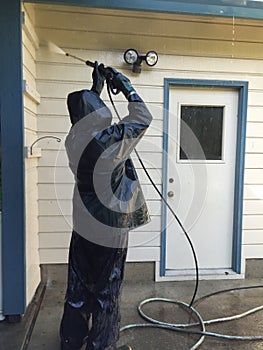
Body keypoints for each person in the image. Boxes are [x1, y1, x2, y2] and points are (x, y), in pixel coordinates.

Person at [60, 62, 153, 350]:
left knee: (78, 287)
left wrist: (96, 87)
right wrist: (125, 84)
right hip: (109, 230)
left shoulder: (74, 139)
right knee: (106, 290)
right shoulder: (109, 142)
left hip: (83, 224)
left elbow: (85, 115)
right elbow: (143, 116)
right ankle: (101, 345)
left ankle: (71, 340)